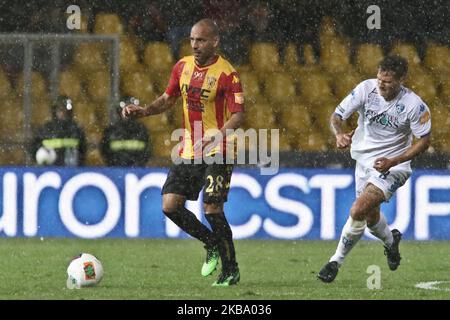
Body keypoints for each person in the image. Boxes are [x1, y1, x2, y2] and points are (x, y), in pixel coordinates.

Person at [122, 19, 245, 286]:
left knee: (212, 209)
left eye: (201, 40)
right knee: (170, 205)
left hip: (219, 150)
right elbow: (168, 99)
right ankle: (211, 242)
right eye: (192, 40)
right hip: (190, 148)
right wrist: (143, 111)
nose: (195, 45)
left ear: (215, 42)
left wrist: (219, 135)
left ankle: (230, 269)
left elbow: (238, 114)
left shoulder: (227, 74)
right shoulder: (182, 67)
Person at [317, 55, 431, 283]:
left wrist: (395, 160)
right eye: (380, 78)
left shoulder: (414, 105)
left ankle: (334, 262)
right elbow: (337, 116)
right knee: (370, 219)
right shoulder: (366, 89)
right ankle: (391, 242)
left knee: (358, 210)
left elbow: (424, 141)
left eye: (388, 82)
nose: (381, 84)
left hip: (394, 166)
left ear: (401, 80)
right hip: (364, 162)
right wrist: (339, 134)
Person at [31, 95, 87, 166]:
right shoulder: (46, 129)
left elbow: (83, 150)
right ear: (55, 111)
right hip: (49, 170)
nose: (63, 113)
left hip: (71, 169)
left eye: (65, 110)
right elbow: (34, 148)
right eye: (60, 110)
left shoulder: (76, 129)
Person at [100, 97, 151, 167]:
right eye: (125, 111)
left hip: (136, 170)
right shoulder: (111, 130)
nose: (128, 115)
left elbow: (147, 151)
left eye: (131, 112)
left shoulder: (142, 130)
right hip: (116, 170)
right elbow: (105, 151)